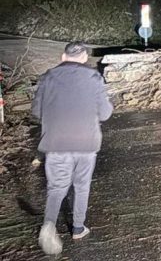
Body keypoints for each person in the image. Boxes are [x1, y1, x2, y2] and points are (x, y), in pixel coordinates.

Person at [31, 41, 112, 255]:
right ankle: (78, 228)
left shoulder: (47, 78)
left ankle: (49, 224)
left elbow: (37, 111)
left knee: (57, 187)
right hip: (86, 143)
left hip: (56, 143)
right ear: (84, 58)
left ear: (63, 57)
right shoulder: (95, 78)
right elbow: (105, 113)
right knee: (82, 185)